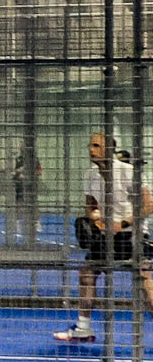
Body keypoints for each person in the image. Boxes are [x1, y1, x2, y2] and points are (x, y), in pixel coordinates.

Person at [54, 132, 153, 342]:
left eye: (97, 146)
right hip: (106, 236)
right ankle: (83, 329)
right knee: (87, 274)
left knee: (144, 281)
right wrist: (96, 218)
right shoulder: (90, 175)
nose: (91, 150)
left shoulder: (128, 172)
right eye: (90, 145)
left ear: (109, 150)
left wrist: (122, 223)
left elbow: (148, 205)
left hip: (131, 234)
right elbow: (91, 205)